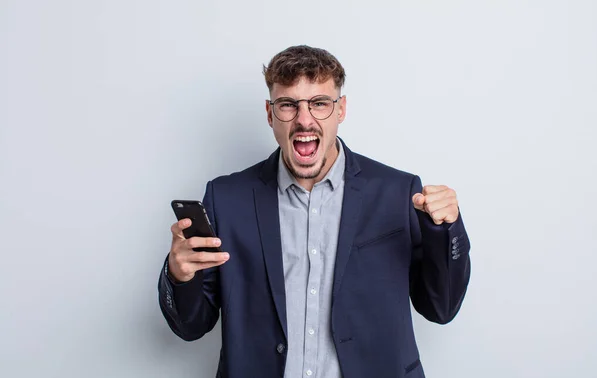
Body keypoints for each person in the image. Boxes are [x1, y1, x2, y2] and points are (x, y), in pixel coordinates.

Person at [158, 45, 471, 378]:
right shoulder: (225, 199)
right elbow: (191, 326)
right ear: (270, 113)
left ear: (340, 110)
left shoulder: (398, 192)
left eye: (319, 103)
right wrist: (180, 275)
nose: (304, 119)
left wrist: (448, 230)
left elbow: (441, 308)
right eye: (288, 105)